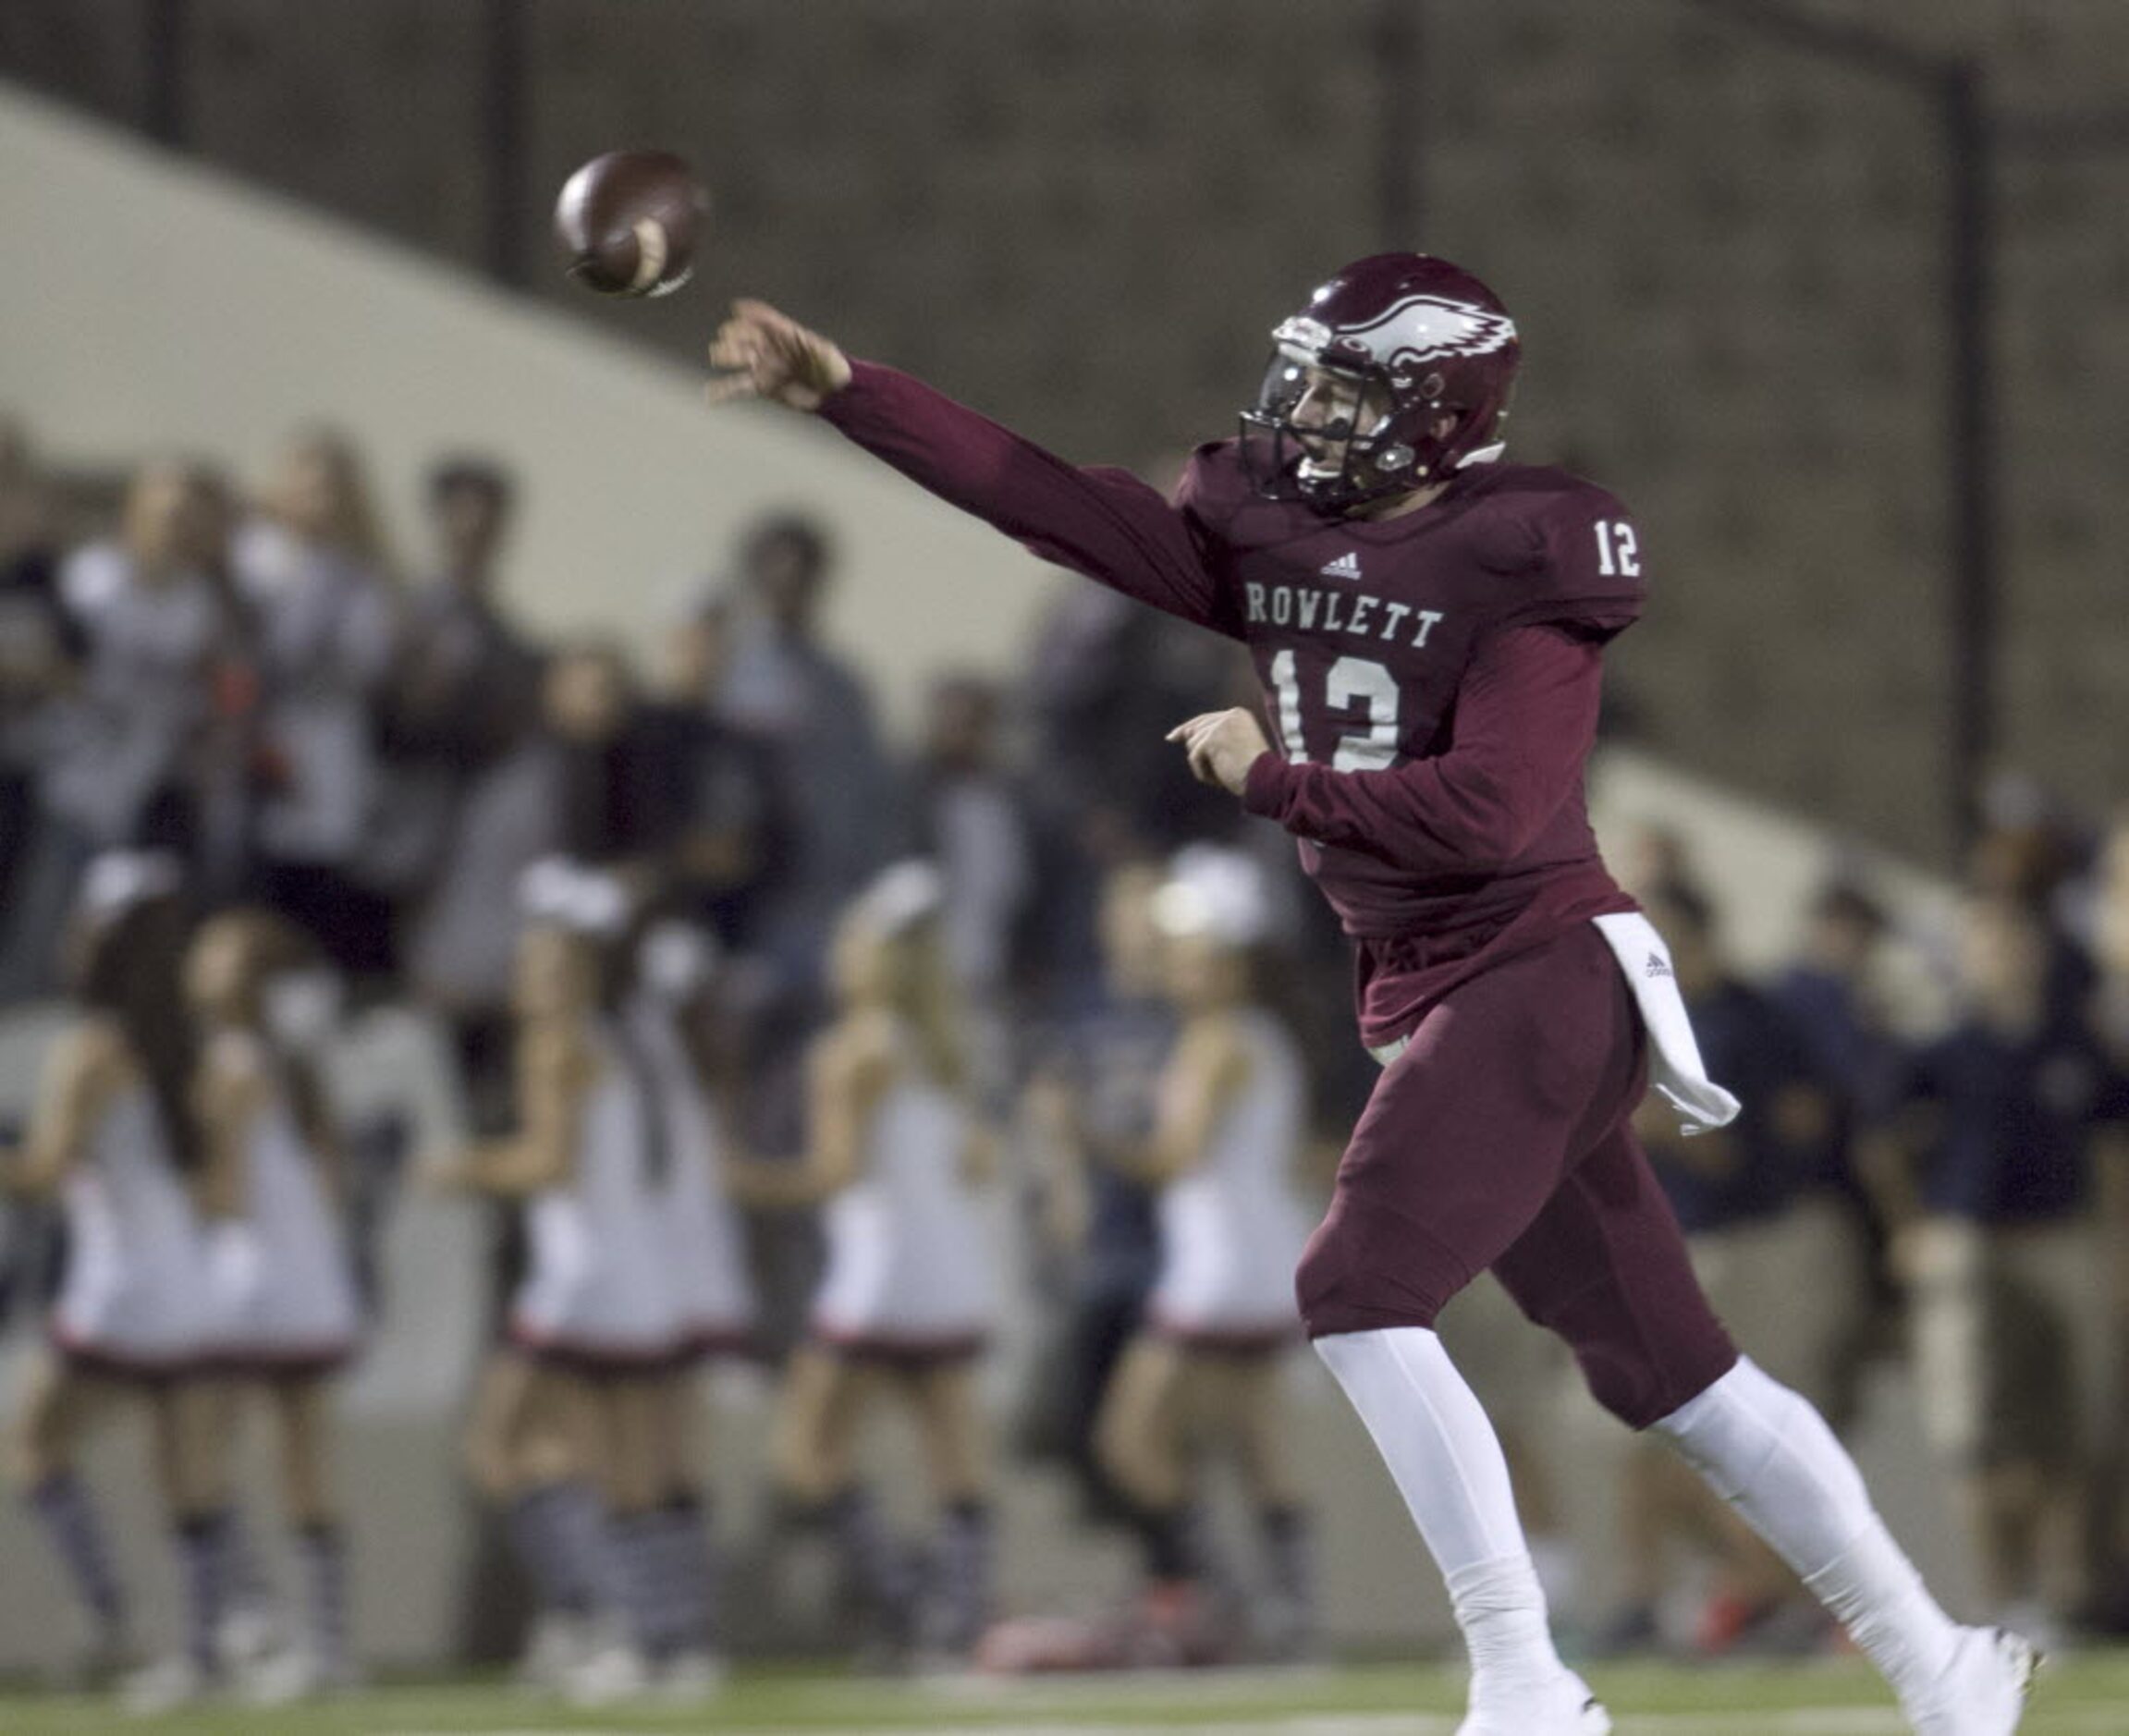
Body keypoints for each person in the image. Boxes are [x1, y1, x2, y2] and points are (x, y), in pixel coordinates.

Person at [705, 255, 2035, 1734]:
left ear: (1435, 408)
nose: (1299, 414)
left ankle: (1524, 1681)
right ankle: (1941, 1663)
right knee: (1674, 1377)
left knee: (1350, 1287)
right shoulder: (1267, 522)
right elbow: (1051, 502)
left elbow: (1489, 810)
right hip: (1438, 985)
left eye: (1341, 388)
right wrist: (847, 392)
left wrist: (1265, 775)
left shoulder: (1526, 545)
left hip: (1537, 967)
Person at [724, 861, 997, 1664]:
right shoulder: (942, 1047)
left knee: (805, 1454)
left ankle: (909, 1606)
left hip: (876, 1275)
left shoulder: (848, 1054)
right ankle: (954, 1615)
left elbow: (832, 1175)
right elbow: (974, 1164)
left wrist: (741, 1179)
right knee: (952, 1457)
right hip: (945, 1270)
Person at [1863, 894, 2129, 1653]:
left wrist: (2115, 1248)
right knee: (1976, 1432)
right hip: (1969, 1241)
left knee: (2075, 1424)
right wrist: (1908, 1228)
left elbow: (2110, 1149)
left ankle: (2065, 1591)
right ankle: (1997, 1596)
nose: (2004, 954)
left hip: (2063, 1238)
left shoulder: (2077, 1042)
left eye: (2015, 940)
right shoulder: (1938, 1046)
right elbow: (1879, 1142)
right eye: (1987, 940)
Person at [0, 855, 236, 1709]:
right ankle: (204, 1651)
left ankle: (106, 1617)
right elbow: (219, 1189)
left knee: (34, 1443)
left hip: (121, 1288)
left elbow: (46, 1170)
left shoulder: (92, 1048)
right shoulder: (194, 1048)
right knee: (188, 1479)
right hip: (191, 1286)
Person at [1090, 847, 1317, 1659]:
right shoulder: (1260, 1035)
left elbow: (1173, 1158)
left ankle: (1227, 1600)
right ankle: (1288, 1612)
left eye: (1188, 958)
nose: (1174, 971)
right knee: (1256, 1444)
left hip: (1217, 1270)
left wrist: (1082, 1134)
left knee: (1131, 1439)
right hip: (1262, 1259)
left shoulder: (1216, 1041)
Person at [184, 910, 365, 1700]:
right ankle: (324, 1645)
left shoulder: (229, 1066)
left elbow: (225, 1194)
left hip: (252, 1285)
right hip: (310, 1282)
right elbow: (327, 1183)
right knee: (300, 1465)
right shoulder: (294, 1063)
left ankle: (245, 1619)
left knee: (200, 1455)